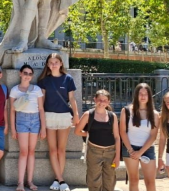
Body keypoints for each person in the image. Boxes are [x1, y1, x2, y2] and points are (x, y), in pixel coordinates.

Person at [36, 53, 79, 191]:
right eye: (51, 62)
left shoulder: (68, 79)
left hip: (64, 116)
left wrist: (77, 115)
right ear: (48, 65)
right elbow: (41, 103)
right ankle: (61, 180)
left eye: (56, 62)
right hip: (49, 116)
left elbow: (72, 99)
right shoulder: (44, 81)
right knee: (52, 150)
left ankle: (57, 179)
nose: (54, 64)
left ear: (61, 63)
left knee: (61, 150)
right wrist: (41, 121)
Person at [9, 64, 46, 191]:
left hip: (35, 120)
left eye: (30, 74)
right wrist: (13, 129)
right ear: (20, 74)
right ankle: (20, 182)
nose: (27, 76)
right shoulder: (14, 90)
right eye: (25, 73)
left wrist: (43, 127)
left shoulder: (37, 89)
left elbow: (41, 109)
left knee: (31, 151)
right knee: (23, 151)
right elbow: (12, 111)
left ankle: (30, 181)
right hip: (21, 120)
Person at [75, 90, 120, 191]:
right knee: (94, 179)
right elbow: (77, 131)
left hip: (110, 153)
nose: (102, 102)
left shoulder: (112, 116)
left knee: (110, 178)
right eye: (99, 99)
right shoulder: (88, 115)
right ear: (95, 100)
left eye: (104, 100)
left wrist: (117, 157)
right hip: (94, 152)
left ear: (108, 102)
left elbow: (117, 137)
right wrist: (87, 134)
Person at [120, 83, 159, 191]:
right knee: (133, 180)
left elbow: (153, 135)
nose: (143, 96)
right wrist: (131, 150)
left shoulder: (155, 114)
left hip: (147, 149)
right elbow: (122, 132)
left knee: (150, 182)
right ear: (136, 95)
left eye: (145, 94)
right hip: (130, 148)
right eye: (140, 94)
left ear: (149, 96)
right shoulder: (127, 111)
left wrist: (140, 152)